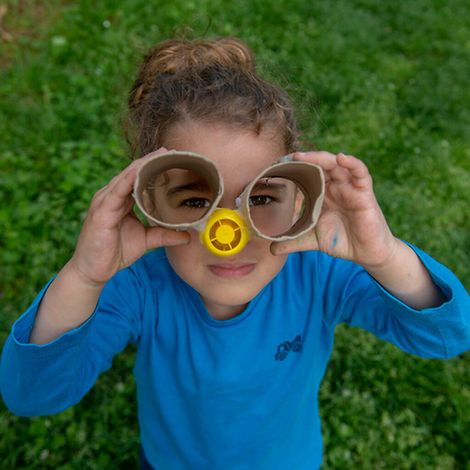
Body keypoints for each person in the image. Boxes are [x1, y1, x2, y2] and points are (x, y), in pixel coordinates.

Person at [0, 37, 469, 470]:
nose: (231, 233)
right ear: (149, 206)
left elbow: (449, 335)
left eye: (261, 198)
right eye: (194, 200)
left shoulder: (317, 272)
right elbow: (32, 394)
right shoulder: (140, 284)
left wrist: (383, 255)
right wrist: (84, 276)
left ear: (300, 198)